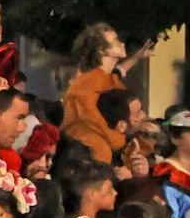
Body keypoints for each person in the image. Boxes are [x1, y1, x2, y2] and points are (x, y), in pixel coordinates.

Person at [61, 23, 153, 163]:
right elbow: (90, 117)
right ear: (101, 50)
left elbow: (118, 72)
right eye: (116, 41)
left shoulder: (109, 78)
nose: (122, 44)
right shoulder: (88, 80)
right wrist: (117, 139)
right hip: (84, 138)